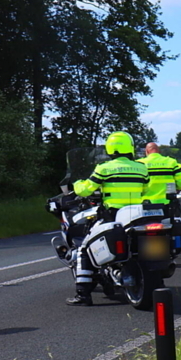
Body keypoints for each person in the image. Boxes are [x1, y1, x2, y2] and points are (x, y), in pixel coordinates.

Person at [65, 131, 149, 306]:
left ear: (111, 148)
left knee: (84, 248)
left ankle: (83, 294)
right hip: (137, 216)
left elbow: (86, 190)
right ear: (130, 147)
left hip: (112, 216)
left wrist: (77, 184)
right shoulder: (142, 168)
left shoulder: (104, 168)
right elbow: (146, 189)